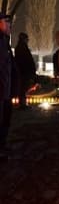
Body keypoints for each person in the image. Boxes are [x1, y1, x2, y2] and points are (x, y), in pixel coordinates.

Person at [0, 14, 16, 161]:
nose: (9, 25)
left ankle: (2, 145)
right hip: (2, 89)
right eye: (6, 22)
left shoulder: (5, 42)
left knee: (5, 118)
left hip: (6, 88)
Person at [14, 32, 36, 109]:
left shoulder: (20, 47)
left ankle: (23, 103)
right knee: (23, 89)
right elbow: (26, 61)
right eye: (27, 39)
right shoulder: (22, 48)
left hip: (23, 72)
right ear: (24, 39)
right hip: (24, 72)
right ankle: (22, 104)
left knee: (23, 89)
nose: (28, 40)